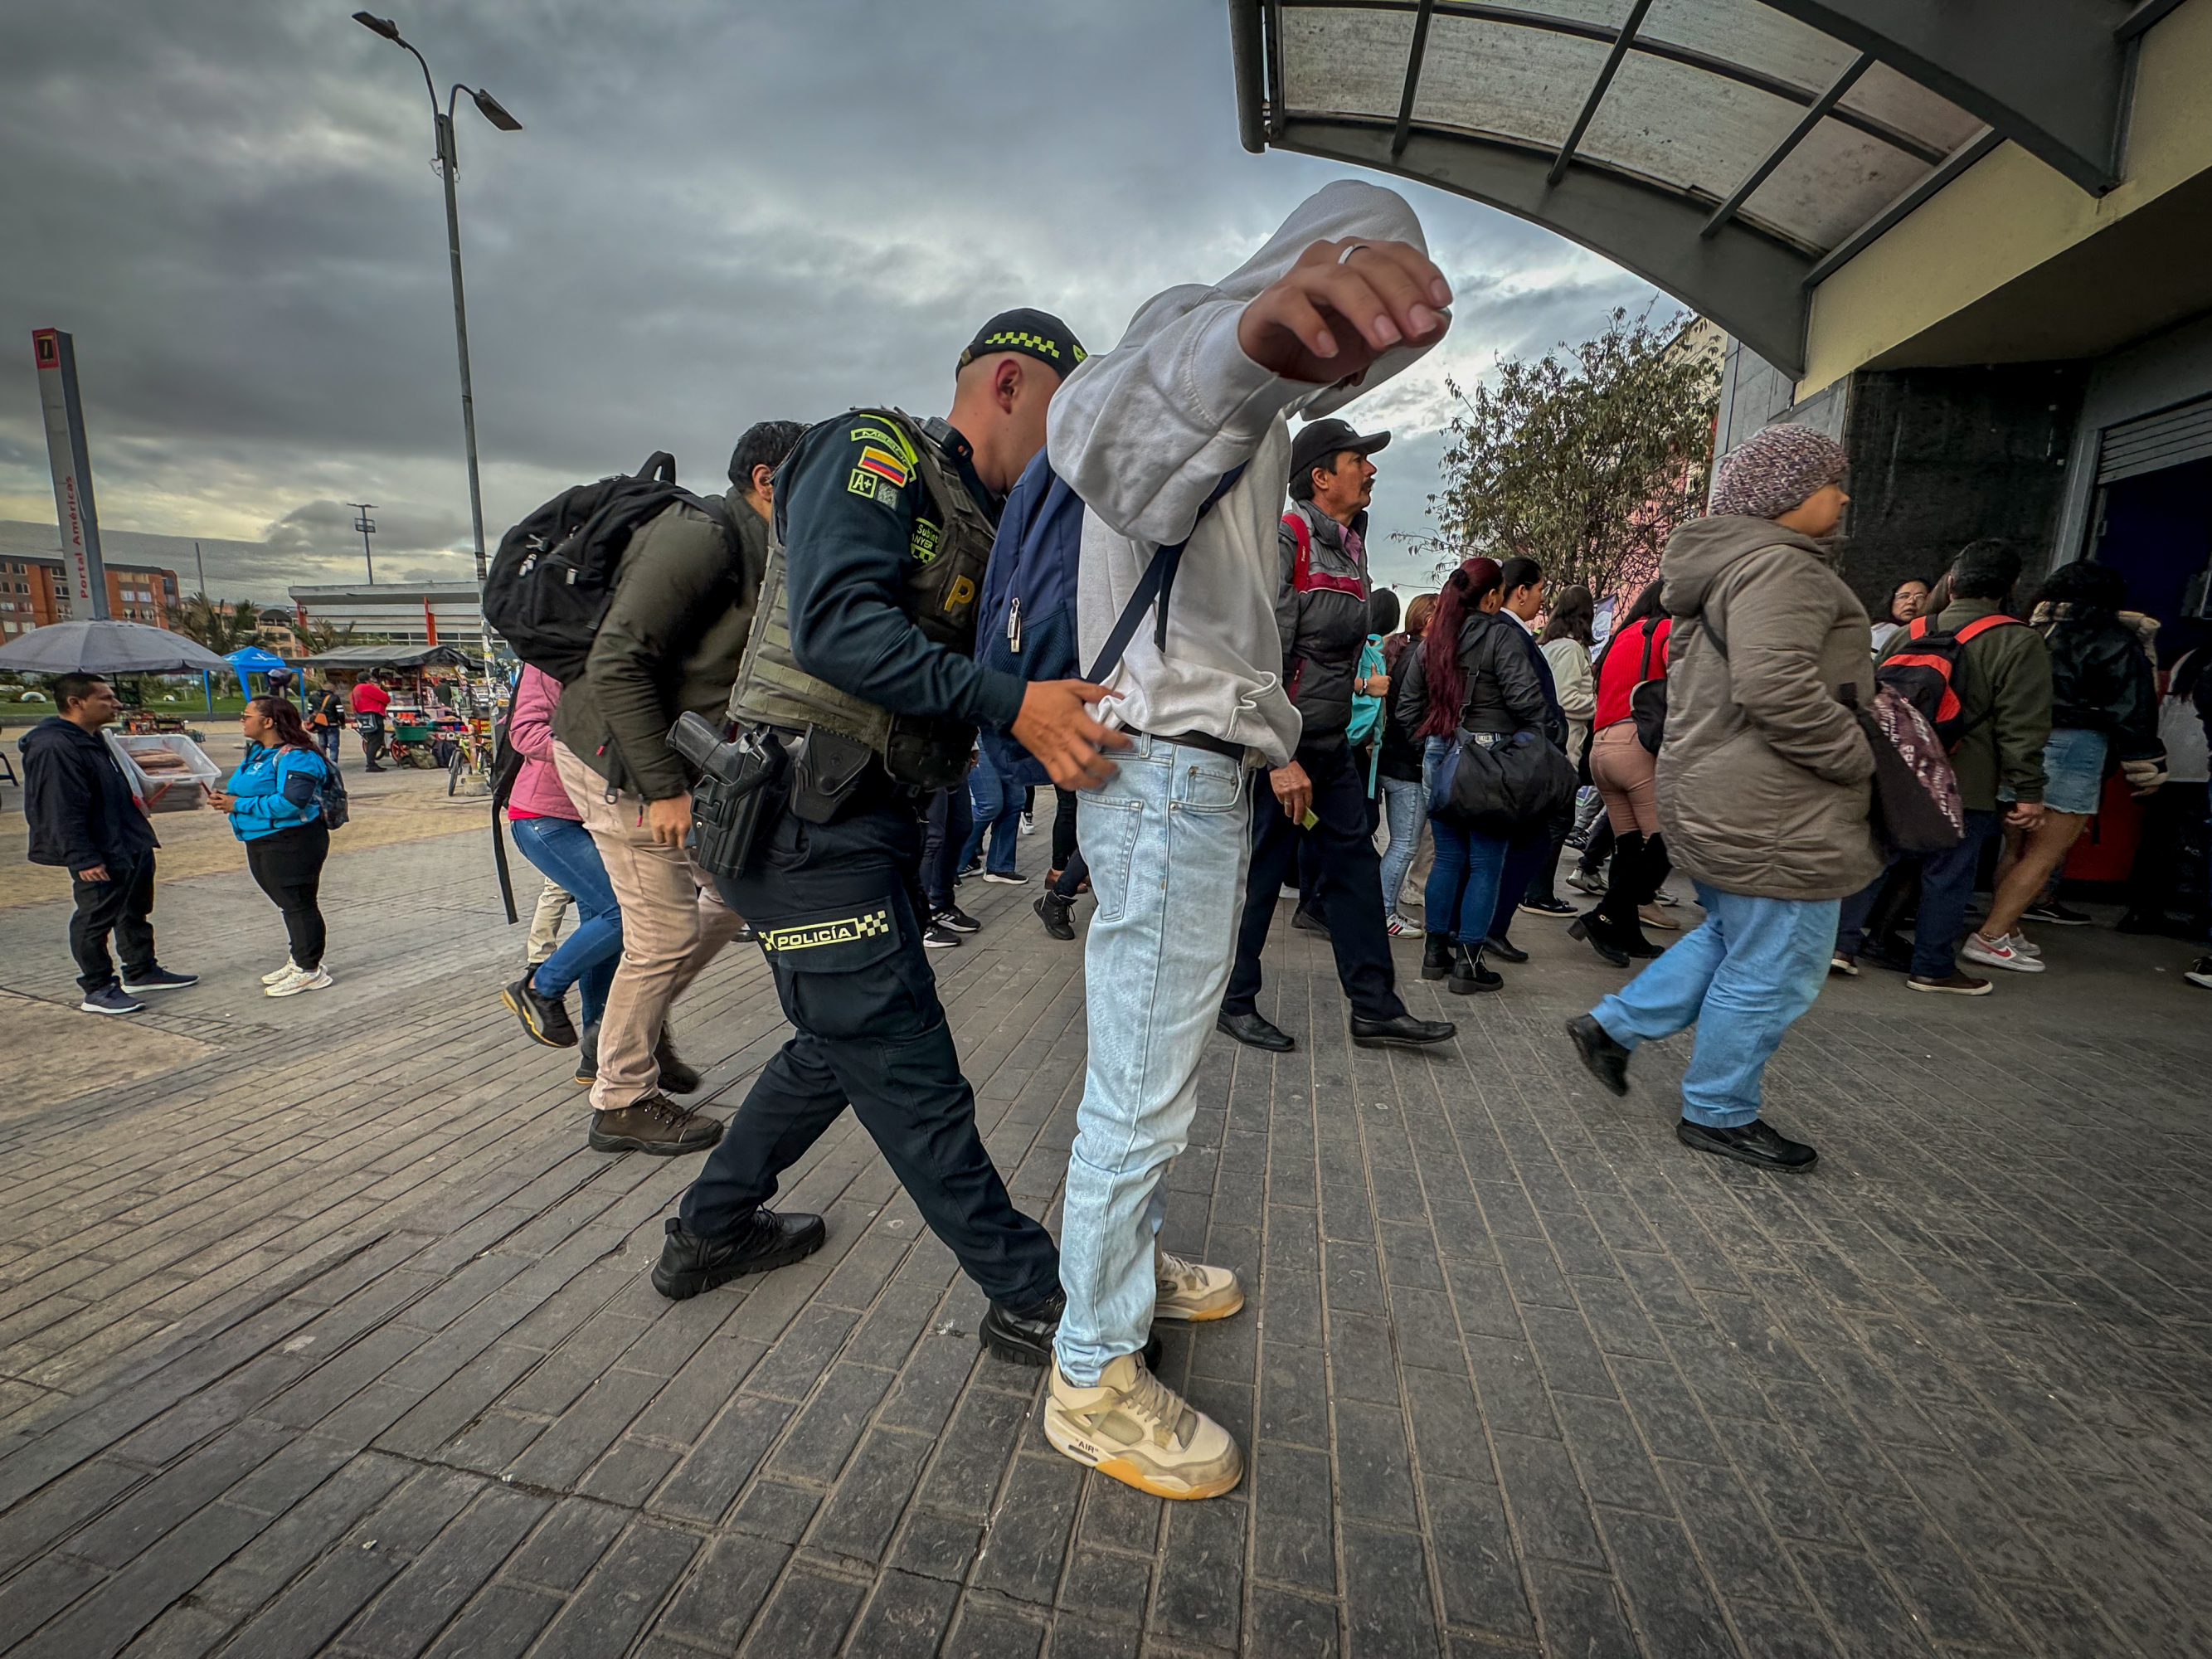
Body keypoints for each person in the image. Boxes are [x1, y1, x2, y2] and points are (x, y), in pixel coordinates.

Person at [1044, 182, 1453, 1498]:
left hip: (1181, 774)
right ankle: (1091, 1369)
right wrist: (1246, 343)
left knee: (1141, 1073)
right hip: (1165, 776)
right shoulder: (1195, 341)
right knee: (1140, 1090)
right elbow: (1101, 422)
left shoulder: (1263, 426)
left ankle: (1121, 1267)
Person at [657, 311, 1111, 1379]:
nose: (1071, 447)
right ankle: (1030, 1294)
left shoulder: (990, 516)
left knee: (837, 1039)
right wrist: (1016, 703)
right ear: (1008, 384)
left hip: (859, 818)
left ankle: (707, 1229)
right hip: (804, 815)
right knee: (905, 1058)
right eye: (1065, 414)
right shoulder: (874, 449)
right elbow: (837, 627)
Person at [1565, 423, 1879, 1172]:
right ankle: (1718, 1110)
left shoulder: (1724, 571)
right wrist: (1853, 755)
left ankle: (1614, 1028)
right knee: (1773, 964)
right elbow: (1776, 686)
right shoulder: (1781, 569)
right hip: (1774, 804)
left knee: (1730, 936)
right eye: (1830, 482)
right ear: (1787, 497)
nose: (1841, 496)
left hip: (1722, 791)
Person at [552, 419, 804, 1154]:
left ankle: (632, 1023)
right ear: (767, 480)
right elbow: (618, 665)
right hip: (617, 759)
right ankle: (621, 1098)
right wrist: (664, 789)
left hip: (662, 762)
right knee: (660, 932)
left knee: (726, 895)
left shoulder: (768, 550)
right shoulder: (704, 534)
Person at [1216, 413, 1456, 1054]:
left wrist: (1355, 699)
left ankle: (1375, 1008)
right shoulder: (1285, 538)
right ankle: (1232, 999)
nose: (1370, 469)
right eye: (1358, 461)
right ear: (1320, 477)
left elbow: (1334, 657)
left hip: (1328, 746)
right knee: (1259, 876)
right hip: (1281, 748)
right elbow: (1256, 650)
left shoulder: (1349, 548)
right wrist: (1273, 753)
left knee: (1353, 868)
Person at [1834, 539, 2050, 991]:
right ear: (2011, 587)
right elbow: (2023, 724)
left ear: (1951, 583)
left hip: (1895, 767)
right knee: (1949, 874)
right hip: (1964, 776)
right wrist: (2027, 790)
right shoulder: (2017, 640)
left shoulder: (1907, 633)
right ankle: (1932, 967)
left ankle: (1838, 947)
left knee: (1875, 858)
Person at [1967, 560, 2165, 963]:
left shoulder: (2030, 633)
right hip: (2076, 746)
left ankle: (2008, 927)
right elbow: (2132, 708)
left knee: (2016, 847)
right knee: (2045, 854)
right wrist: (2146, 762)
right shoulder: (2115, 640)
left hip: (2019, 745)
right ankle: (1992, 935)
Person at [1393, 556, 1552, 992]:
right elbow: (1528, 705)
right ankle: (1468, 964)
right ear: (1492, 596)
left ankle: (1434, 953)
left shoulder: (1433, 641)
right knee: (1486, 863)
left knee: (1448, 857)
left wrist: (1434, 742)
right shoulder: (1502, 637)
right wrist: (1517, 746)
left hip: (1440, 757)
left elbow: (1406, 710)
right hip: (1489, 760)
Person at [20, 673, 197, 1014]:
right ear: (76, 702)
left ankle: (140, 969)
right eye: (105, 698)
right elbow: (59, 806)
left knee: (133, 908)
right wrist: (83, 858)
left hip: (128, 837)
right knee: (95, 917)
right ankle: (98, 987)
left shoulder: (96, 738)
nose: (116, 704)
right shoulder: (55, 746)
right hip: (100, 847)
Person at [500, 664, 623, 1082]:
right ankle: (540, 988)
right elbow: (526, 732)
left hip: (599, 820)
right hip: (545, 817)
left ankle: (598, 1051)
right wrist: (602, 752)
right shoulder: (551, 660)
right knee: (626, 912)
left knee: (605, 936)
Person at [209, 695, 334, 997]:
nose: (242, 720)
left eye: (246, 715)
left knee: (298, 903)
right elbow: (249, 789)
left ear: (268, 721)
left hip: (293, 841)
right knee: (286, 903)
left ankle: (309, 969)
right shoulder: (258, 752)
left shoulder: (298, 756)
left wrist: (237, 804)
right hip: (259, 838)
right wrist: (226, 799)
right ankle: (300, 957)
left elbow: (291, 802)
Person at [1573, 579, 1670, 965]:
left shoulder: (1622, 636)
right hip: (1637, 746)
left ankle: (1627, 930)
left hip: (1602, 746)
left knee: (1628, 845)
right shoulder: (1667, 632)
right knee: (1666, 840)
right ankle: (1604, 915)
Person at [1482, 555, 1572, 956]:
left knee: (1518, 843)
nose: (1541, 601)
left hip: (1513, 751)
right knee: (1526, 842)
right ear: (1521, 592)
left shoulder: (1503, 631)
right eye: (1539, 591)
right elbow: (1525, 698)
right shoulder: (1508, 633)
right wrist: (1549, 734)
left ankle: (1485, 926)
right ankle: (1490, 926)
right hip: (1519, 753)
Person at [2122, 642, 2210, 939]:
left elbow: (2165, 707)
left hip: (2171, 759)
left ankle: (2141, 912)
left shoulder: (2189, 657)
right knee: (2200, 847)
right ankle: (2202, 920)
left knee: (2157, 841)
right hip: (2203, 763)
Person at [1523, 583, 1596, 918]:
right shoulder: (1569, 649)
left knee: (1549, 821)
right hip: (1562, 746)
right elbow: (1566, 700)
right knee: (1558, 821)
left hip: (1552, 745)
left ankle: (1535, 889)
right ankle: (1537, 892)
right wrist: (1598, 703)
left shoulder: (1551, 645)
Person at [1373, 589, 1427, 937]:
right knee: (1405, 843)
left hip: (1392, 757)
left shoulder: (1401, 651)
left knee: (1401, 841)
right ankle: (1385, 913)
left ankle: (1385, 910)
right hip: (1407, 763)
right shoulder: (1422, 654)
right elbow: (1412, 713)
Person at [955, 742, 1027, 887]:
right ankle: (950, 864)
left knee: (1014, 802)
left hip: (1010, 736)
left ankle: (999, 866)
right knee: (989, 805)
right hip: (980, 735)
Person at [921, 771, 979, 946]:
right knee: (931, 839)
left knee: (960, 827)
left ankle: (940, 903)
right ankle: (920, 921)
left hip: (953, 756)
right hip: (925, 756)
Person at [1869, 575, 1932, 655]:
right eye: (1904, 596)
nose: (1911, 602)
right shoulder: (1880, 632)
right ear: (1892, 600)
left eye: (1920, 597)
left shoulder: (1933, 633)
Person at [350, 674, 391, 771]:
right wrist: (376, 687)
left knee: (371, 739)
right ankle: (371, 764)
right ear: (368, 680)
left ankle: (370, 762)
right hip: (373, 714)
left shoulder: (356, 689)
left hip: (362, 715)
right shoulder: (368, 687)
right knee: (376, 739)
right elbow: (385, 698)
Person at [308, 675, 347, 762]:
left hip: (319, 724)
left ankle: (323, 762)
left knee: (322, 744)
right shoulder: (335, 698)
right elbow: (340, 712)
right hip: (332, 724)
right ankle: (333, 763)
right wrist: (342, 723)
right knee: (333, 745)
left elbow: (310, 710)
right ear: (332, 689)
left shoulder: (312, 697)